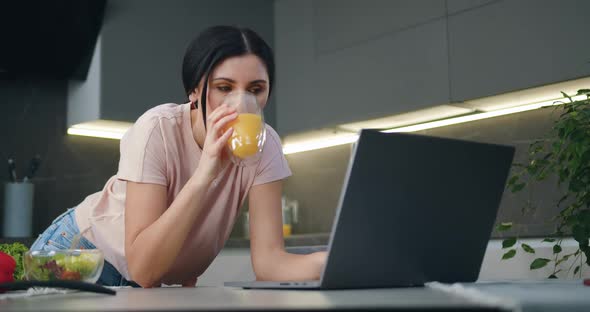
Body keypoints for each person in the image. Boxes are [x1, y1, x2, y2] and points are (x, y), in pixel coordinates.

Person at [31, 25, 327, 288]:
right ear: (195, 91)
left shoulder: (266, 147)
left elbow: (269, 263)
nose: (241, 104)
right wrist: (204, 175)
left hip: (146, 284)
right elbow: (143, 268)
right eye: (224, 88)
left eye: (256, 89)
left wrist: (331, 262)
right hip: (81, 255)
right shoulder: (157, 129)